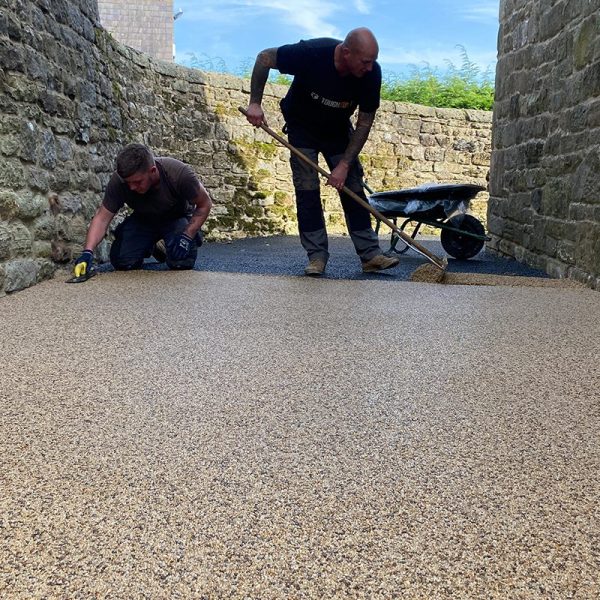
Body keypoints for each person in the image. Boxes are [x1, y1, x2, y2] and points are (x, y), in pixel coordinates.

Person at [244, 27, 400, 277]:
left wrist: (345, 164)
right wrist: (255, 103)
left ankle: (370, 255)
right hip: (302, 127)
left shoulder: (371, 74)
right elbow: (264, 57)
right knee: (307, 188)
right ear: (346, 52)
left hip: (338, 131)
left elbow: (364, 122)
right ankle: (316, 256)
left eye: (373, 62)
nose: (369, 68)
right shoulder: (311, 53)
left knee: (352, 187)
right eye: (365, 62)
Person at [73, 143, 212, 276]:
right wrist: (87, 252)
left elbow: (204, 204)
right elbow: (102, 218)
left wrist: (187, 236)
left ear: (152, 171)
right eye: (129, 183)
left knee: (182, 262)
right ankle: (152, 244)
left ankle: (169, 242)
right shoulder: (120, 181)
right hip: (144, 220)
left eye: (137, 182)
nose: (132, 187)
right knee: (123, 262)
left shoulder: (179, 174)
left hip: (175, 218)